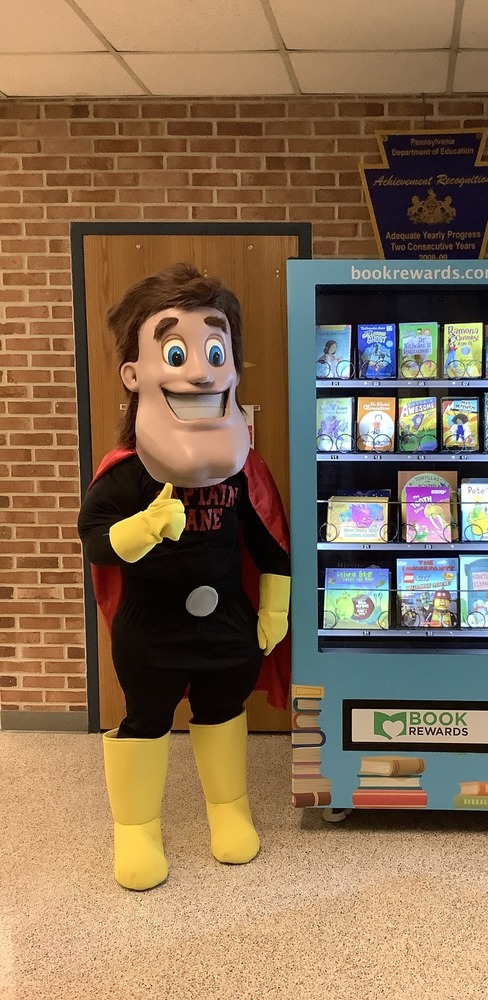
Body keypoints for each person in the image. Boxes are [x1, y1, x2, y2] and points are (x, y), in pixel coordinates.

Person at [78, 263, 291, 891]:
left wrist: (273, 608)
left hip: (226, 624)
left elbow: (269, 542)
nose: (199, 370)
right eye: (176, 351)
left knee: (223, 709)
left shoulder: (240, 471)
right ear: (133, 373)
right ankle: (136, 827)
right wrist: (142, 527)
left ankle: (229, 809)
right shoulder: (124, 475)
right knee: (145, 716)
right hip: (151, 629)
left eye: (214, 350)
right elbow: (95, 541)